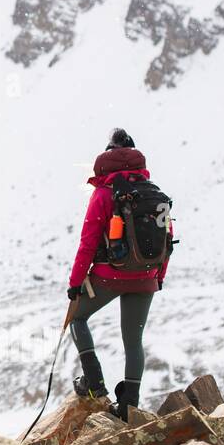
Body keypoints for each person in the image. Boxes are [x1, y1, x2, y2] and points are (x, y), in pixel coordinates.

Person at [65, 128, 169, 421]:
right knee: (133, 341)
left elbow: (88, 242)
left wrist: (75, 283)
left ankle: (95, 387)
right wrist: (157, 276)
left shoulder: (103, 194)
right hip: (146, 276)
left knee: (78, 318)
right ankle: (129, 407)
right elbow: (167, 241)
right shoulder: (154, 193)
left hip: (108, 276)